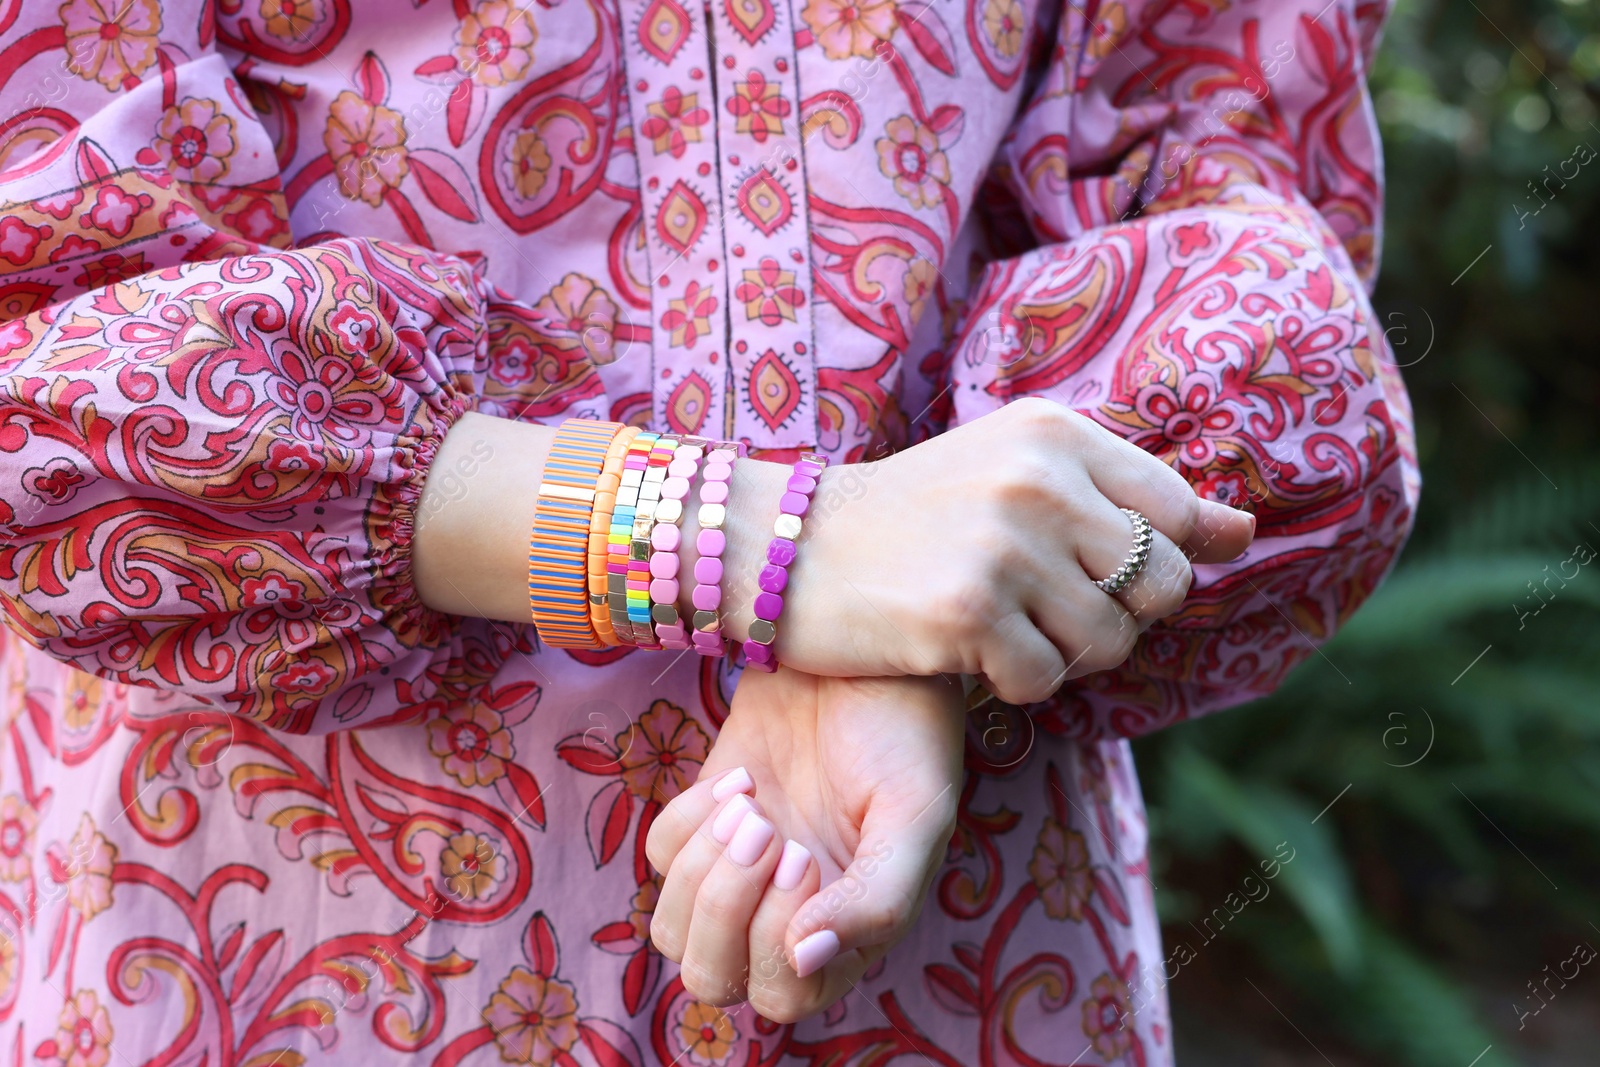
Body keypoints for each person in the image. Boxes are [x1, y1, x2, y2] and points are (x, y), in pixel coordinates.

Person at [0, 0, 1417, 1062]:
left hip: (937, 907)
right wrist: (792, 549)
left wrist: (928, 639)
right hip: (279, 946)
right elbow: (49, 368)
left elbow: (1227, 210)